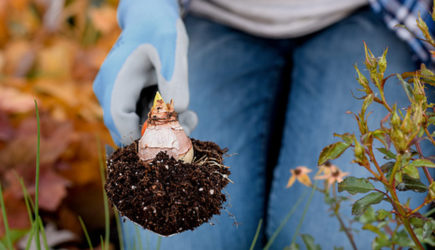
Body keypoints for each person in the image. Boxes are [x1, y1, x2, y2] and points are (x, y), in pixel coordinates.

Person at [93, 0, 434, 249]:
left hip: (372, 16)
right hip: (213, 15)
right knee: (171, 233)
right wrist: (146, 9)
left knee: (340, 238)